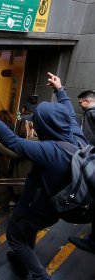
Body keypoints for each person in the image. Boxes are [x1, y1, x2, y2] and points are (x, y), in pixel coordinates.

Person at [0, 72, 87, 279]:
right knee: (29, 230)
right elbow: (69, 114)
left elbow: (14, 142)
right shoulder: (75, 136)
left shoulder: (51, 151)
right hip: (54, 203)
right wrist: (60, 90)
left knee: (15, 237)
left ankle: (40, 275)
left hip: (40, 205)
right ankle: (22, 256)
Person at [68, 90, 95, 253]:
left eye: (80, 103)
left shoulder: (91, 113)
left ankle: (92, 242)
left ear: (87, 101)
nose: (80, 106)